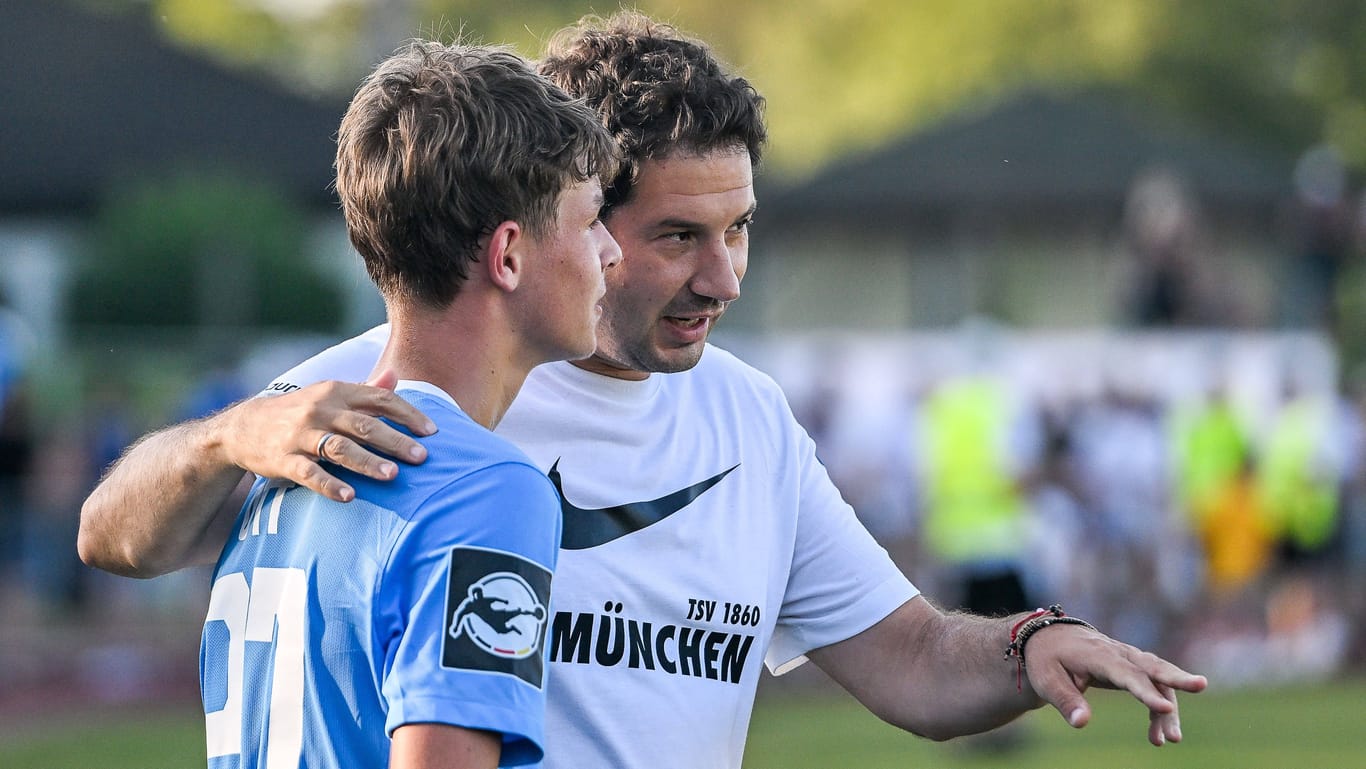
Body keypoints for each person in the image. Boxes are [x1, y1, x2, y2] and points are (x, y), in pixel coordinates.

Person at [79, 12, 1205, 769]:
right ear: (567, 218)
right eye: (675, 235)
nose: (721, 277)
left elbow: (907, 656)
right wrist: (223, 438)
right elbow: (108, 530)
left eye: (740, 230)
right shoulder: (367, 401)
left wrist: (1027, 644)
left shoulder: (745, 418)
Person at [187, 40, 620, 768]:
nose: (611, 252)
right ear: (507, 255)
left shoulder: (278, 477)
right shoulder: (486, 487)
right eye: (590, 221)